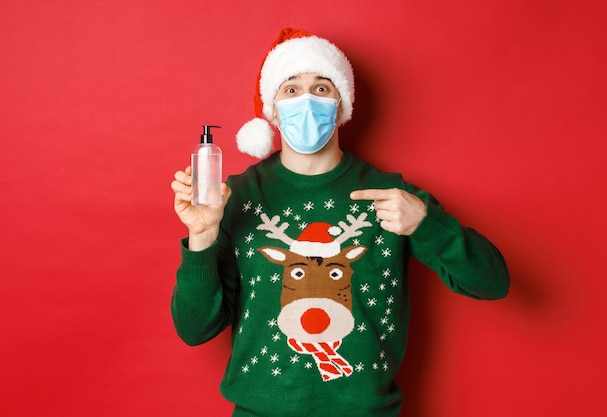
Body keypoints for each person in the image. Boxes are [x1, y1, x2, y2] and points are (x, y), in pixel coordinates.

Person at [170, 27, 509, 417]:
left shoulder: (390, 196)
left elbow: (493, 283)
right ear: (273, 110)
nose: (307, 101)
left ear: (342, 104)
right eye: (291, 90)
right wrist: (202, 234)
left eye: (322, 88)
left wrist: (425, 223)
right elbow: (194, 330)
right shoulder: (237, 196)